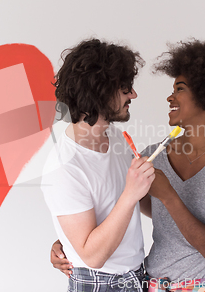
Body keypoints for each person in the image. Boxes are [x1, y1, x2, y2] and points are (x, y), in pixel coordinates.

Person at [51, 38, 205, 292]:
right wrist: (69, 241)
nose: (169, 97)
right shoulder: (153, 155)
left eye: (179, 89)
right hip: (152, 284)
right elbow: (118, 205)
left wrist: (168, 194)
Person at [41, 38, 155, 292]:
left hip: (136, 276)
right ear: (100, 92)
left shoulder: (115, 137)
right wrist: (131, 194)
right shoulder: (63, 167)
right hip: (100, 285)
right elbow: (92, 256)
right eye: (125, 88)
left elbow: (117, 211)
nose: (133, 94)